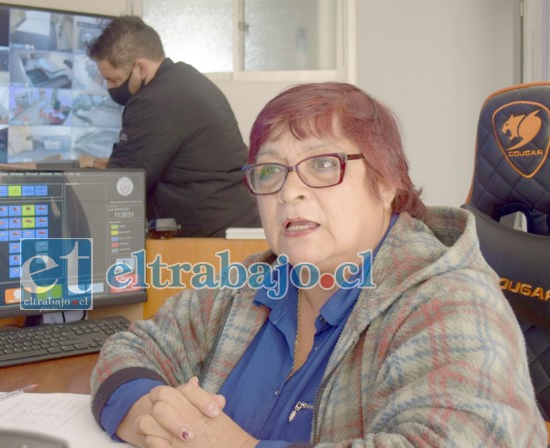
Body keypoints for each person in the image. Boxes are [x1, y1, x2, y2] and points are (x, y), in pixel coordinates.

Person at [90, 82, 548, 447]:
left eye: (324, 165)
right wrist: (150, 417)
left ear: (387, 181)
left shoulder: (450, 299)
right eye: (270, 171)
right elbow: (130, 348)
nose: (290, 192)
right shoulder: (253, 285)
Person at [86, 16, 260, 237]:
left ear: (140, 67)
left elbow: (124, 184)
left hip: (209, 239)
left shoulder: (152, 103)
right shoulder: (185, 78)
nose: (110, 88)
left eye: (114, 80)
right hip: (233, 222)